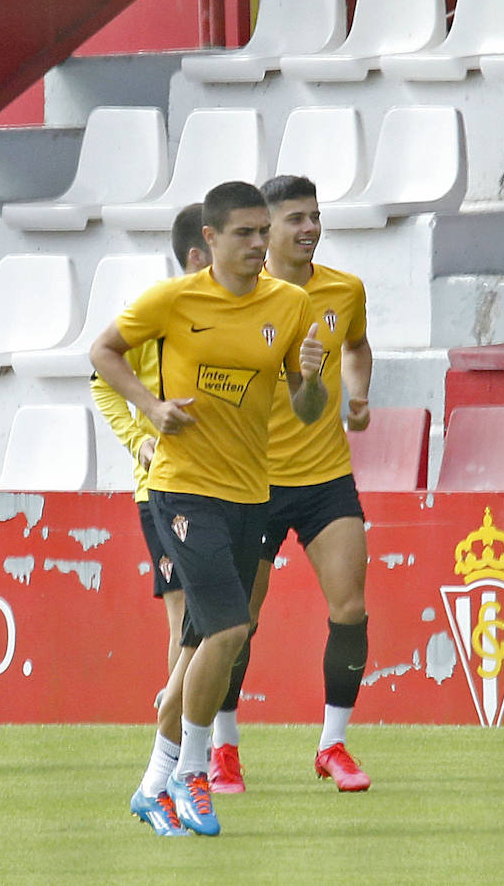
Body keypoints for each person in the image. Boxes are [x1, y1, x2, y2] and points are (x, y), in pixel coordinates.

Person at [90, 181, 327, 836]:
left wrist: (310, 378)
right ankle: (196, 772)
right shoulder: (173, 300)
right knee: (227, 630)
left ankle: (150, 786)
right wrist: (151, 409)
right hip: (183, 488)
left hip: (252, 492)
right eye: (246, 233)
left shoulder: (291, 303)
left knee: (198, 643)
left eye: (263, 231)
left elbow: (307, 411)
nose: (259, 243)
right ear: (211, 241)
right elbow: (101, 353)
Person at [207, 174, 372, 794]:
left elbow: (356, 346)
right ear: (265, 230)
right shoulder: (243, 297)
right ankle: (224, 750)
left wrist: (358, 396)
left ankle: (333, 745)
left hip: (327, 475)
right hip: (254, 481)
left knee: (350, 608)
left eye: (315, 215)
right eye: (294, 219)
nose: (309, 228)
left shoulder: (343, 290)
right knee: (238, 624)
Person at [91, 203, 210, 687]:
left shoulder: (245, 314)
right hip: (163, 488)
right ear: (201, 252)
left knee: (219, 618)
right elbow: (102, 377)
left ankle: (193, 735)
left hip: (225, 483)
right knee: (185, 613)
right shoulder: (158, 311)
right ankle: (177, 741)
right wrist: (140, 438)